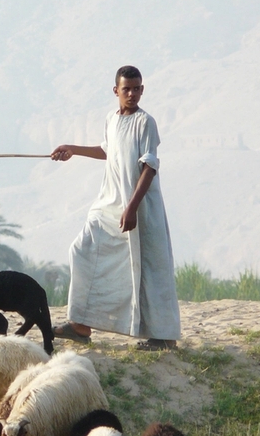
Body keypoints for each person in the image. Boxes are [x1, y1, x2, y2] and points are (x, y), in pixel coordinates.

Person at [50, 65, 180, 351]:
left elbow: (149, 167)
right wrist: (72, 149)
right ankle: (80, 324)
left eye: (136, 89)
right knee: (82, 250)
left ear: (142, 89)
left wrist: (132, 207)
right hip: (109, 204)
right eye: (126, 89)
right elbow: (108, 150)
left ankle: (163, 336)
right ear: (116, 91)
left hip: (141, 207)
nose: (132, 94)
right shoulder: (111, 118)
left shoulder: (146, 123)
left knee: (150, 267)